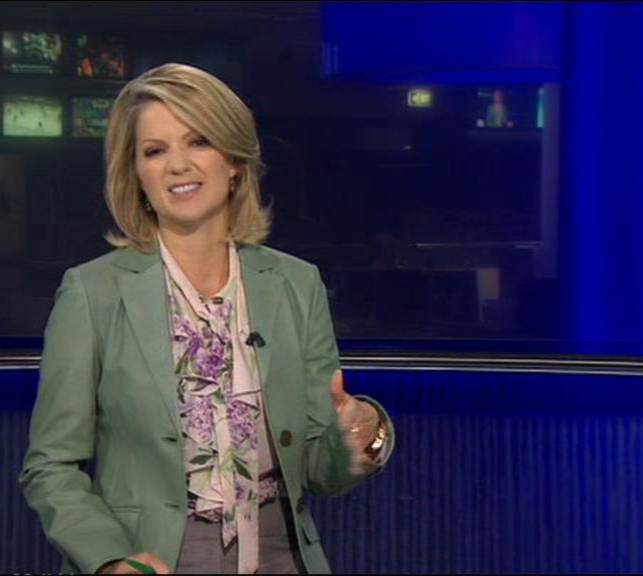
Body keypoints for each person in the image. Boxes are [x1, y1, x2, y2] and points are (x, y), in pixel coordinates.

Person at [20, 62, 396, 575]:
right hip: (154, 559)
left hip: (281, 556)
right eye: (155, 150)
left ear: (234, 160)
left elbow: (319, 469)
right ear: (136, 174)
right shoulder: (92, 292)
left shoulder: (296, 283)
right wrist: (108, 559)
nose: (178, 165)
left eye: (198, 141)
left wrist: (360, 436)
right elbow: (50, 467)